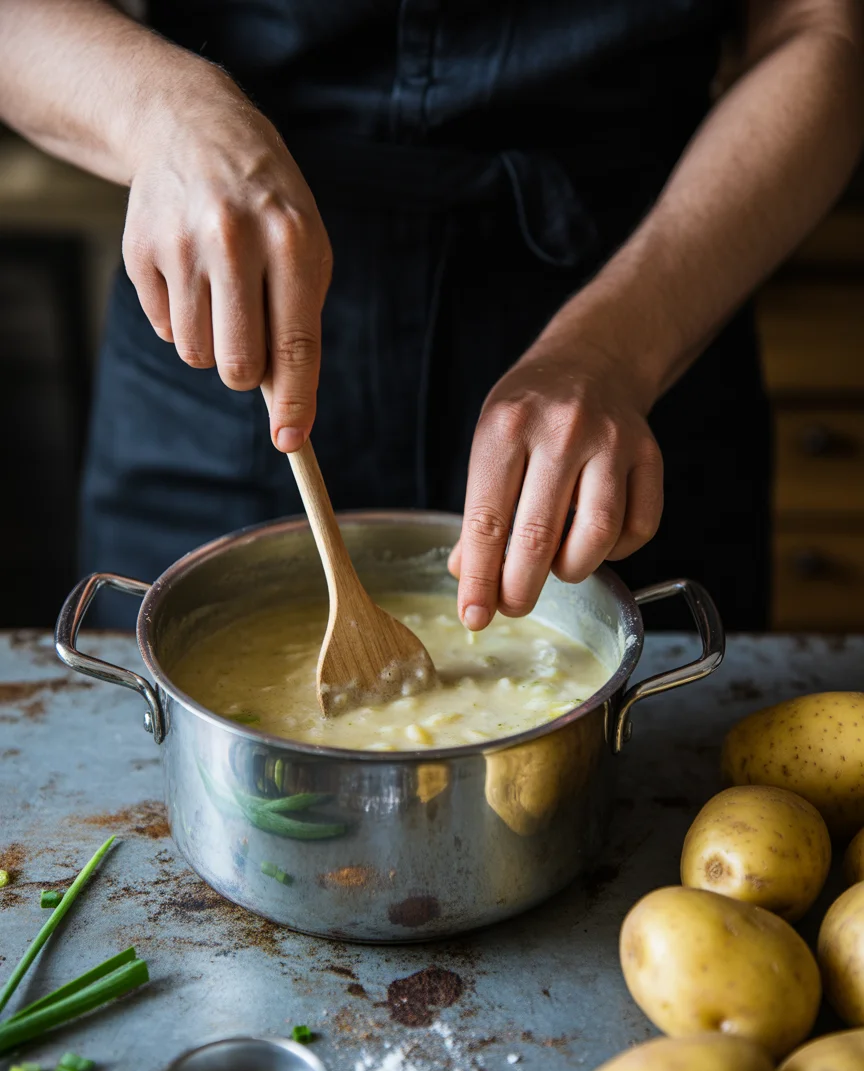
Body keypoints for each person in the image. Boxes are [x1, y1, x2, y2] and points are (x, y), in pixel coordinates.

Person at [0, 1, 861, 631]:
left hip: (642, 308)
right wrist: (166, 112)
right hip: (225, 319)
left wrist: (617, 350)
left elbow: (818, 32)